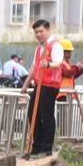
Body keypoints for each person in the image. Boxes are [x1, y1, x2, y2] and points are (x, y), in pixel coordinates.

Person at [25, 18, 63, 157]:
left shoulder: (55, 45)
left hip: (50, 85)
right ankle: (37, 146)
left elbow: (58, 63)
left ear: (48, 30)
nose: (38, 34)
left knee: (46, 115)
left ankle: (46, 148)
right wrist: (25, 84)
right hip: (38, 84)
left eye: (41, 31)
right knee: (32, 114)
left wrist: (48, 64)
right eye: (36, 32)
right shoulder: (39, 48)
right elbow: (34, 67)